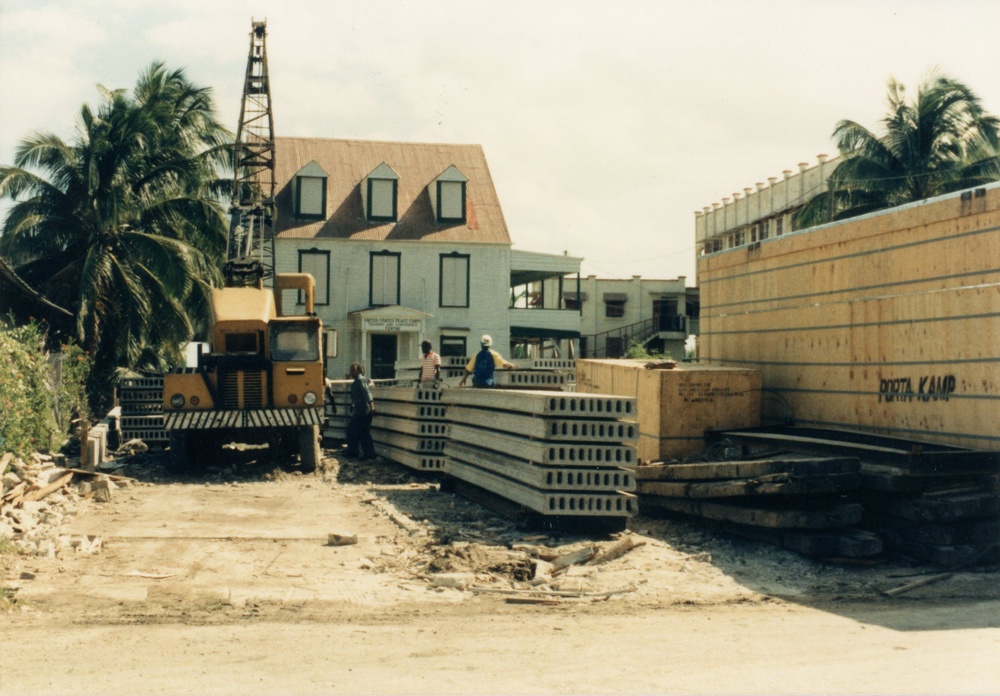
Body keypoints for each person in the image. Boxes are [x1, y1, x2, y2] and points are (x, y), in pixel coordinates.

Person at [345, 363, 376, 460]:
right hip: (360, 409)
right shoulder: (357, 381)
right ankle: (367, 454)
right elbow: (358, 395)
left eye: (352, 370)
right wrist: (353, 404)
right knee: (362, 432)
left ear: (357, 371)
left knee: (354, 431)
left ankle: (355, 452)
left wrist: (372, 407)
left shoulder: (360, 380)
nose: (351, 372)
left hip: (363, 410)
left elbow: (367, 394)